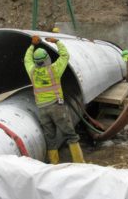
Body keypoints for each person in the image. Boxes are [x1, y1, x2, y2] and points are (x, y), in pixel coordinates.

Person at [24, 35, 85, 164]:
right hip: (57, 108)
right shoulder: (54, 70)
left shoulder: (32, 71)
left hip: (42, 110)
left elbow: (26, 59)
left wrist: (32, 45)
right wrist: (57, 42)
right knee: (70, 135)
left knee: (50, 139)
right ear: (47, 59)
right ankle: (80, 163)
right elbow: (65, 56)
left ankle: (54, 165)